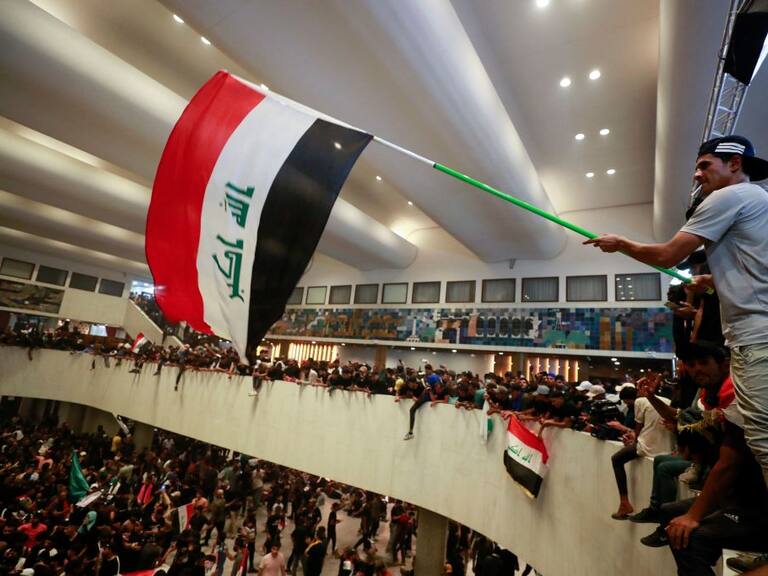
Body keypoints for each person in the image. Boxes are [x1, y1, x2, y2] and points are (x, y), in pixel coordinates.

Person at [585, 135, 768, 486]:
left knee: (761, 439)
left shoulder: (729, 196)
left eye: (704, 165)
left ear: (734, 164)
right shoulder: (757, 198)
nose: (697, 176)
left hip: (756, 336)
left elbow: (668, 255)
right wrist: (712, 282)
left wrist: (621, 244)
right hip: (753, 334)